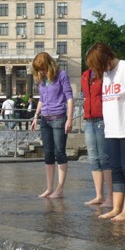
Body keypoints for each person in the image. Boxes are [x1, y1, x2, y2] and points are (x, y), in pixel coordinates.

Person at [86, 42, 125, 222]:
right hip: (111, 129)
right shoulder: (106, 74)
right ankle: (116, 208)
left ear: (107, 58)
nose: (100, 69)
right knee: (116, 169)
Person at [30, 52, 74, 199]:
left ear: (49, 65)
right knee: (48, 153)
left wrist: (70, 119)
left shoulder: (61, 75)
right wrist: (36, 116)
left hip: (59, 117)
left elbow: (69, 97)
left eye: (42, 68)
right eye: (38, 70)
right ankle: (49, 188)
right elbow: (41, 99)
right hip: (45, 118)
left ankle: (59, 189)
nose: (40, 72)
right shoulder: (42, 80)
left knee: (59, 152)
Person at [81, 66, 113, 207]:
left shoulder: (105, 75)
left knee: (104, 158)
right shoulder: (85, 76)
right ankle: (99, 196)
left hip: (101, 119)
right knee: (93, 159)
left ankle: (111, 197)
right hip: (88, 119)